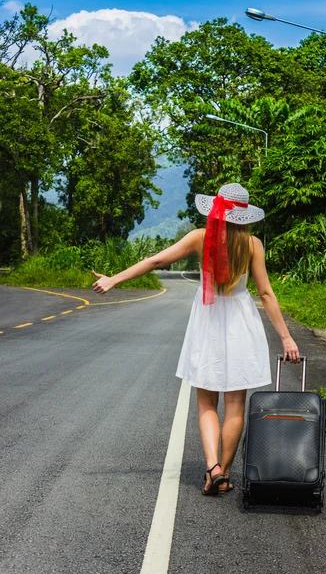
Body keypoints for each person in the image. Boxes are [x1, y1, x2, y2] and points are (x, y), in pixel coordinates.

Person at [92, 183, 300, 496]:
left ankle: (213, 466)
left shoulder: (201, 238)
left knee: (205, 403)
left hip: (208, 322)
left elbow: (156, 261)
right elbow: (266, 293)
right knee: (235, 405)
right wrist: (286, 339)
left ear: (215, 210)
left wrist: (114, 279)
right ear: (244, 216)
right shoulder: (253, 244)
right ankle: (225, 474)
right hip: (241, 324)